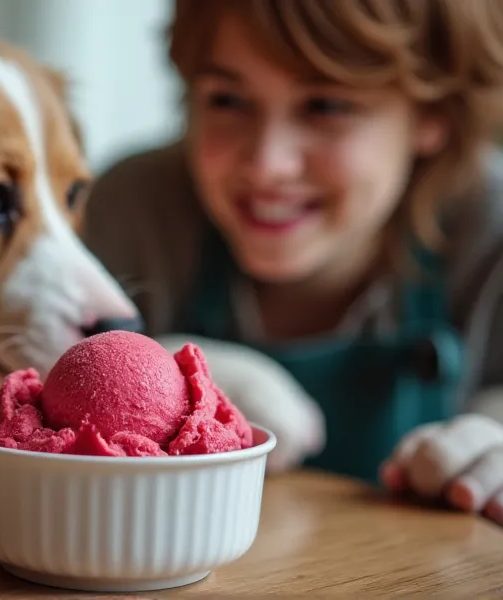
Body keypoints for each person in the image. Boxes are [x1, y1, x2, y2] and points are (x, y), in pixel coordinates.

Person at [83, 0, 503, 525]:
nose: (266, 164)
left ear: (433, 114)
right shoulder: (135, 208)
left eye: (325, 106)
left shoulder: (489, 228)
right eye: (228, 100)